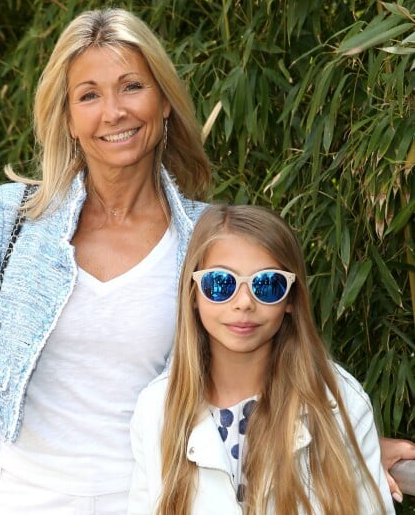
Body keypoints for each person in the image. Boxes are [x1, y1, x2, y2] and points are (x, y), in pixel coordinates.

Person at [0, 8, 412, 514]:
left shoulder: (206, 237)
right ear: (69, 118)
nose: (114, 111)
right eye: (89, 95)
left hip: (154, 494)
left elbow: (262, 357)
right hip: (23, 497)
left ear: (164, 101)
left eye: (132, 86)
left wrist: (345, 441)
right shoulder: (12, 217)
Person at [127, 204, 396, 514]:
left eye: (267, 284)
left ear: (292, 298)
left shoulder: (338, 402)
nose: (244, 303)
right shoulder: (156, 409)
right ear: (193, 294)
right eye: (220, 284)